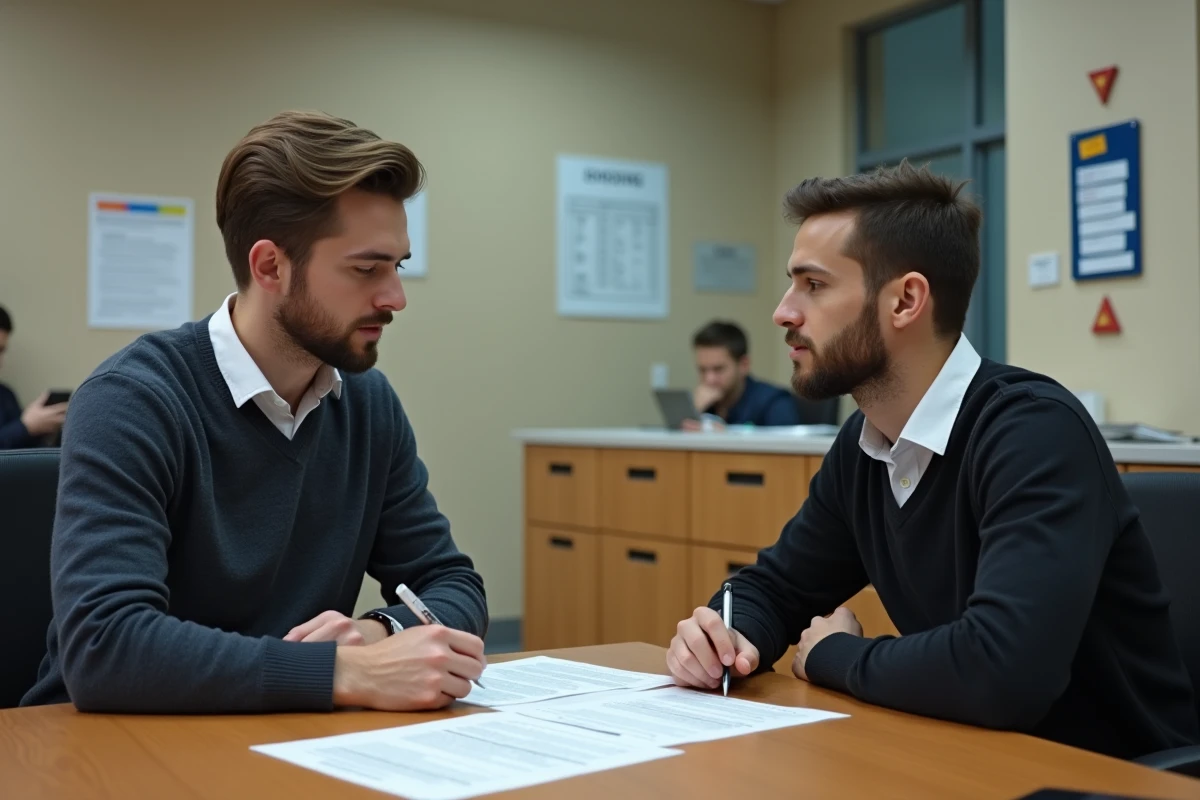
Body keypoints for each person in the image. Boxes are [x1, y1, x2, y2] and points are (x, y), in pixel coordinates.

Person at [666, 161, 1199, 759]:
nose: (784, 312)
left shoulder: (1033, 433)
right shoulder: (865, 444)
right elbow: (777, 588)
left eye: (813, 285)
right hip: (974, 757)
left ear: (905, 301)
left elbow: (1004, 672)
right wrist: (721, 635)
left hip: (1117, 775)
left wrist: (833, 655)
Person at [21, 110, 489, 714]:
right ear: (270, 266)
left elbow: (453, 584)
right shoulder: (132, 400)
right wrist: (343, 673)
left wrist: (379, 633)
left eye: (396, 267)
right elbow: (106, 647)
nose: (395, 297)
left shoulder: (367, 406)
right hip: (109, 742)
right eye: (366, 268)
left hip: (283, 735)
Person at [687, 320, 801, 429]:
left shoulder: (774, 402)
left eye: (718, 369)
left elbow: (786, 446)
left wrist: (727, 436)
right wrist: (692, 412)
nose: (709, 379)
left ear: (743, 365)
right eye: (702, 370)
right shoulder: (703, 405)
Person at [0, 306, 68, 449]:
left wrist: (46, 428)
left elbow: (28, 453)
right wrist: (25, 427)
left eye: (2, 351)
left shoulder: (6, 396)